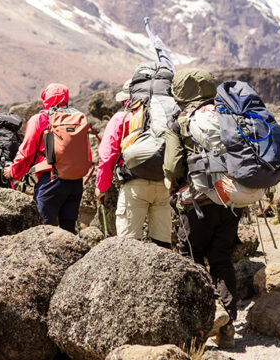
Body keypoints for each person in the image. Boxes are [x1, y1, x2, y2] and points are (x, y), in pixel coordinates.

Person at [164, 68, 238, 348]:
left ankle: (202, 322)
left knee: (191, 258)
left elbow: (172, 165)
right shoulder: (228, 114)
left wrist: (171, 187)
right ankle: (227, 323)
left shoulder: (181, 121)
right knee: (221, 259)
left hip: (196, 201)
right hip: (230, 197)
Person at [96, 80, 172, 248]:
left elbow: (107, 155)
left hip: (134, 184)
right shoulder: (162, 116)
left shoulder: (122, 117)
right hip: (163, 184)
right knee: (162, 244)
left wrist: (102, 187)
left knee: (128, 245)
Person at [3, 83, 84, 233]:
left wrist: (13, 172)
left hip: (52, 179)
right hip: (76, 180)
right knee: (68, 230)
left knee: (42, 230)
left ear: (46, 98)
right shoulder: (77, 119)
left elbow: (26, 150)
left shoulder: (40, 119)